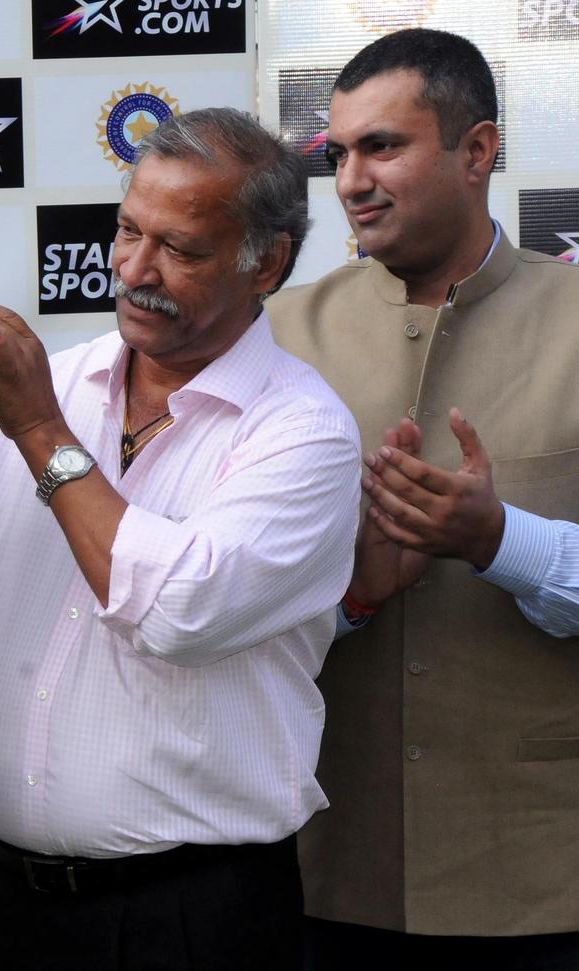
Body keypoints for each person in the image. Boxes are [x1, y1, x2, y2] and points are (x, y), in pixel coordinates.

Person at [0, 107, 361, 971]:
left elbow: (177, 609)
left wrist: (37, 430)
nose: (134, 269)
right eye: (127, 230)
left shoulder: (304, 434)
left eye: (179, 249)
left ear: (269, 263)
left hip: (190, 920)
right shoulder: (59, 381)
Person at [267, 28, 579, 969]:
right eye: (340, 153)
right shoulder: (277, 334)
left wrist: (499, 541)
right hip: (323, 871)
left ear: (477, 151)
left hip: (541, 878)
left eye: (384, 146)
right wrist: (355, 593)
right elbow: (227, 599)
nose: (353, 179)